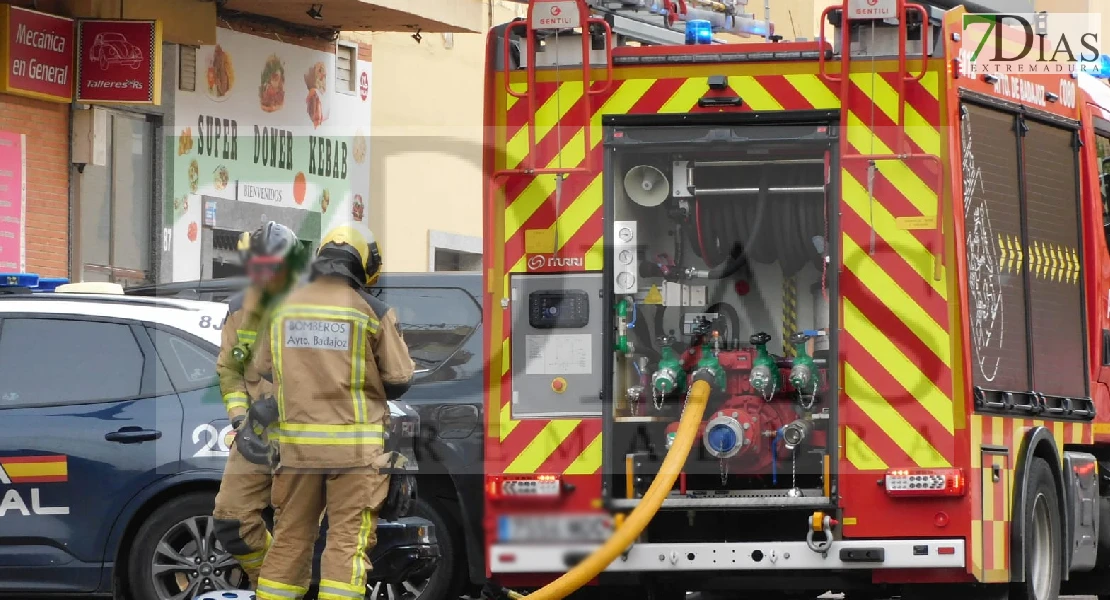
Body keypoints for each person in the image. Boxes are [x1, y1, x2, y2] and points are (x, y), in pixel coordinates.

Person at [254, 226, 414, 600]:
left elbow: (264, 367)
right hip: (355, 450)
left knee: (290, 535)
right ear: (365, 265)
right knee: (346, 540)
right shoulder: (371, 310)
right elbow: (399, 378)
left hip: (295, 448)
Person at [212, 221, 307, 587]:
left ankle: (288, 590)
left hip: (305, 437)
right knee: (230, 520)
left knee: (294, 532)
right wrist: (240, 421)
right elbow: (230, 370)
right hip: (255, 433)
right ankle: (269, 582)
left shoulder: (315, 309)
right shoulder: (240, 311)